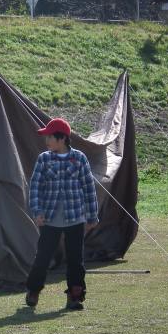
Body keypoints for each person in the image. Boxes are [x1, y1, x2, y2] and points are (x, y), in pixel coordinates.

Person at [25, 118, 98, 310]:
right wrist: (37, 211)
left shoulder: (80, 158)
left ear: (62, 138)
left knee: (75, 259)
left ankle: (75, 296)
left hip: (75, 217)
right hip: (49, 218)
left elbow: (88, 187)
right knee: (43, 256)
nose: (46, 140)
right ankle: (33, 290)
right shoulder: (44, 158)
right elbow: (35, 187)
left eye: (50, 136)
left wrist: (92, 216)